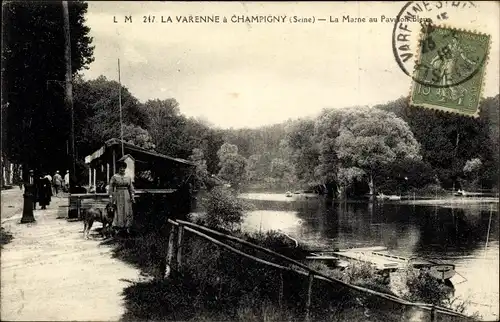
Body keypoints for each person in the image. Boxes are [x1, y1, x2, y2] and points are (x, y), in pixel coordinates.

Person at [109, 161, 135, 235]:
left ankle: (127, 227)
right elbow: (110, 188)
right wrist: (111, 197)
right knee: (118, 210)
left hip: (127, 195)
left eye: (123, 168)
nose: (122, 169)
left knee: (127, 210)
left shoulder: (128, 177)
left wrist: (132, 196)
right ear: (118, 169)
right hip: (118, 195)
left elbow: (131, 187)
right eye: (121, 168)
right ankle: (118, 228)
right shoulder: (114, 177)